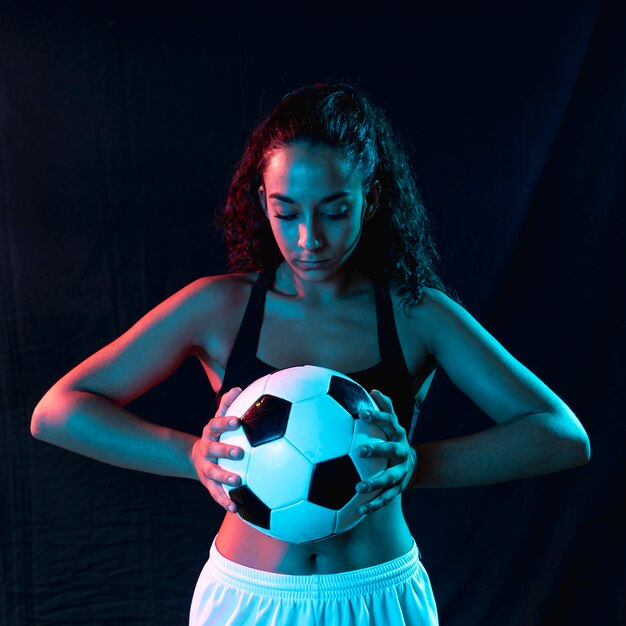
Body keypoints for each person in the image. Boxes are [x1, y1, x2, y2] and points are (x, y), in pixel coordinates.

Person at [30, 82, 591, 626]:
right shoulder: (219, 308)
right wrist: (193, 457)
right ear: (262, 202)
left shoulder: (414, 314)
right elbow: (57, 412)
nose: (308, 239)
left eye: (334, 209)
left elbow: (561, 436)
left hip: (375, 595)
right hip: (250, 599)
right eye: (287, 211)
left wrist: (414, 466)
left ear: (369, 199)